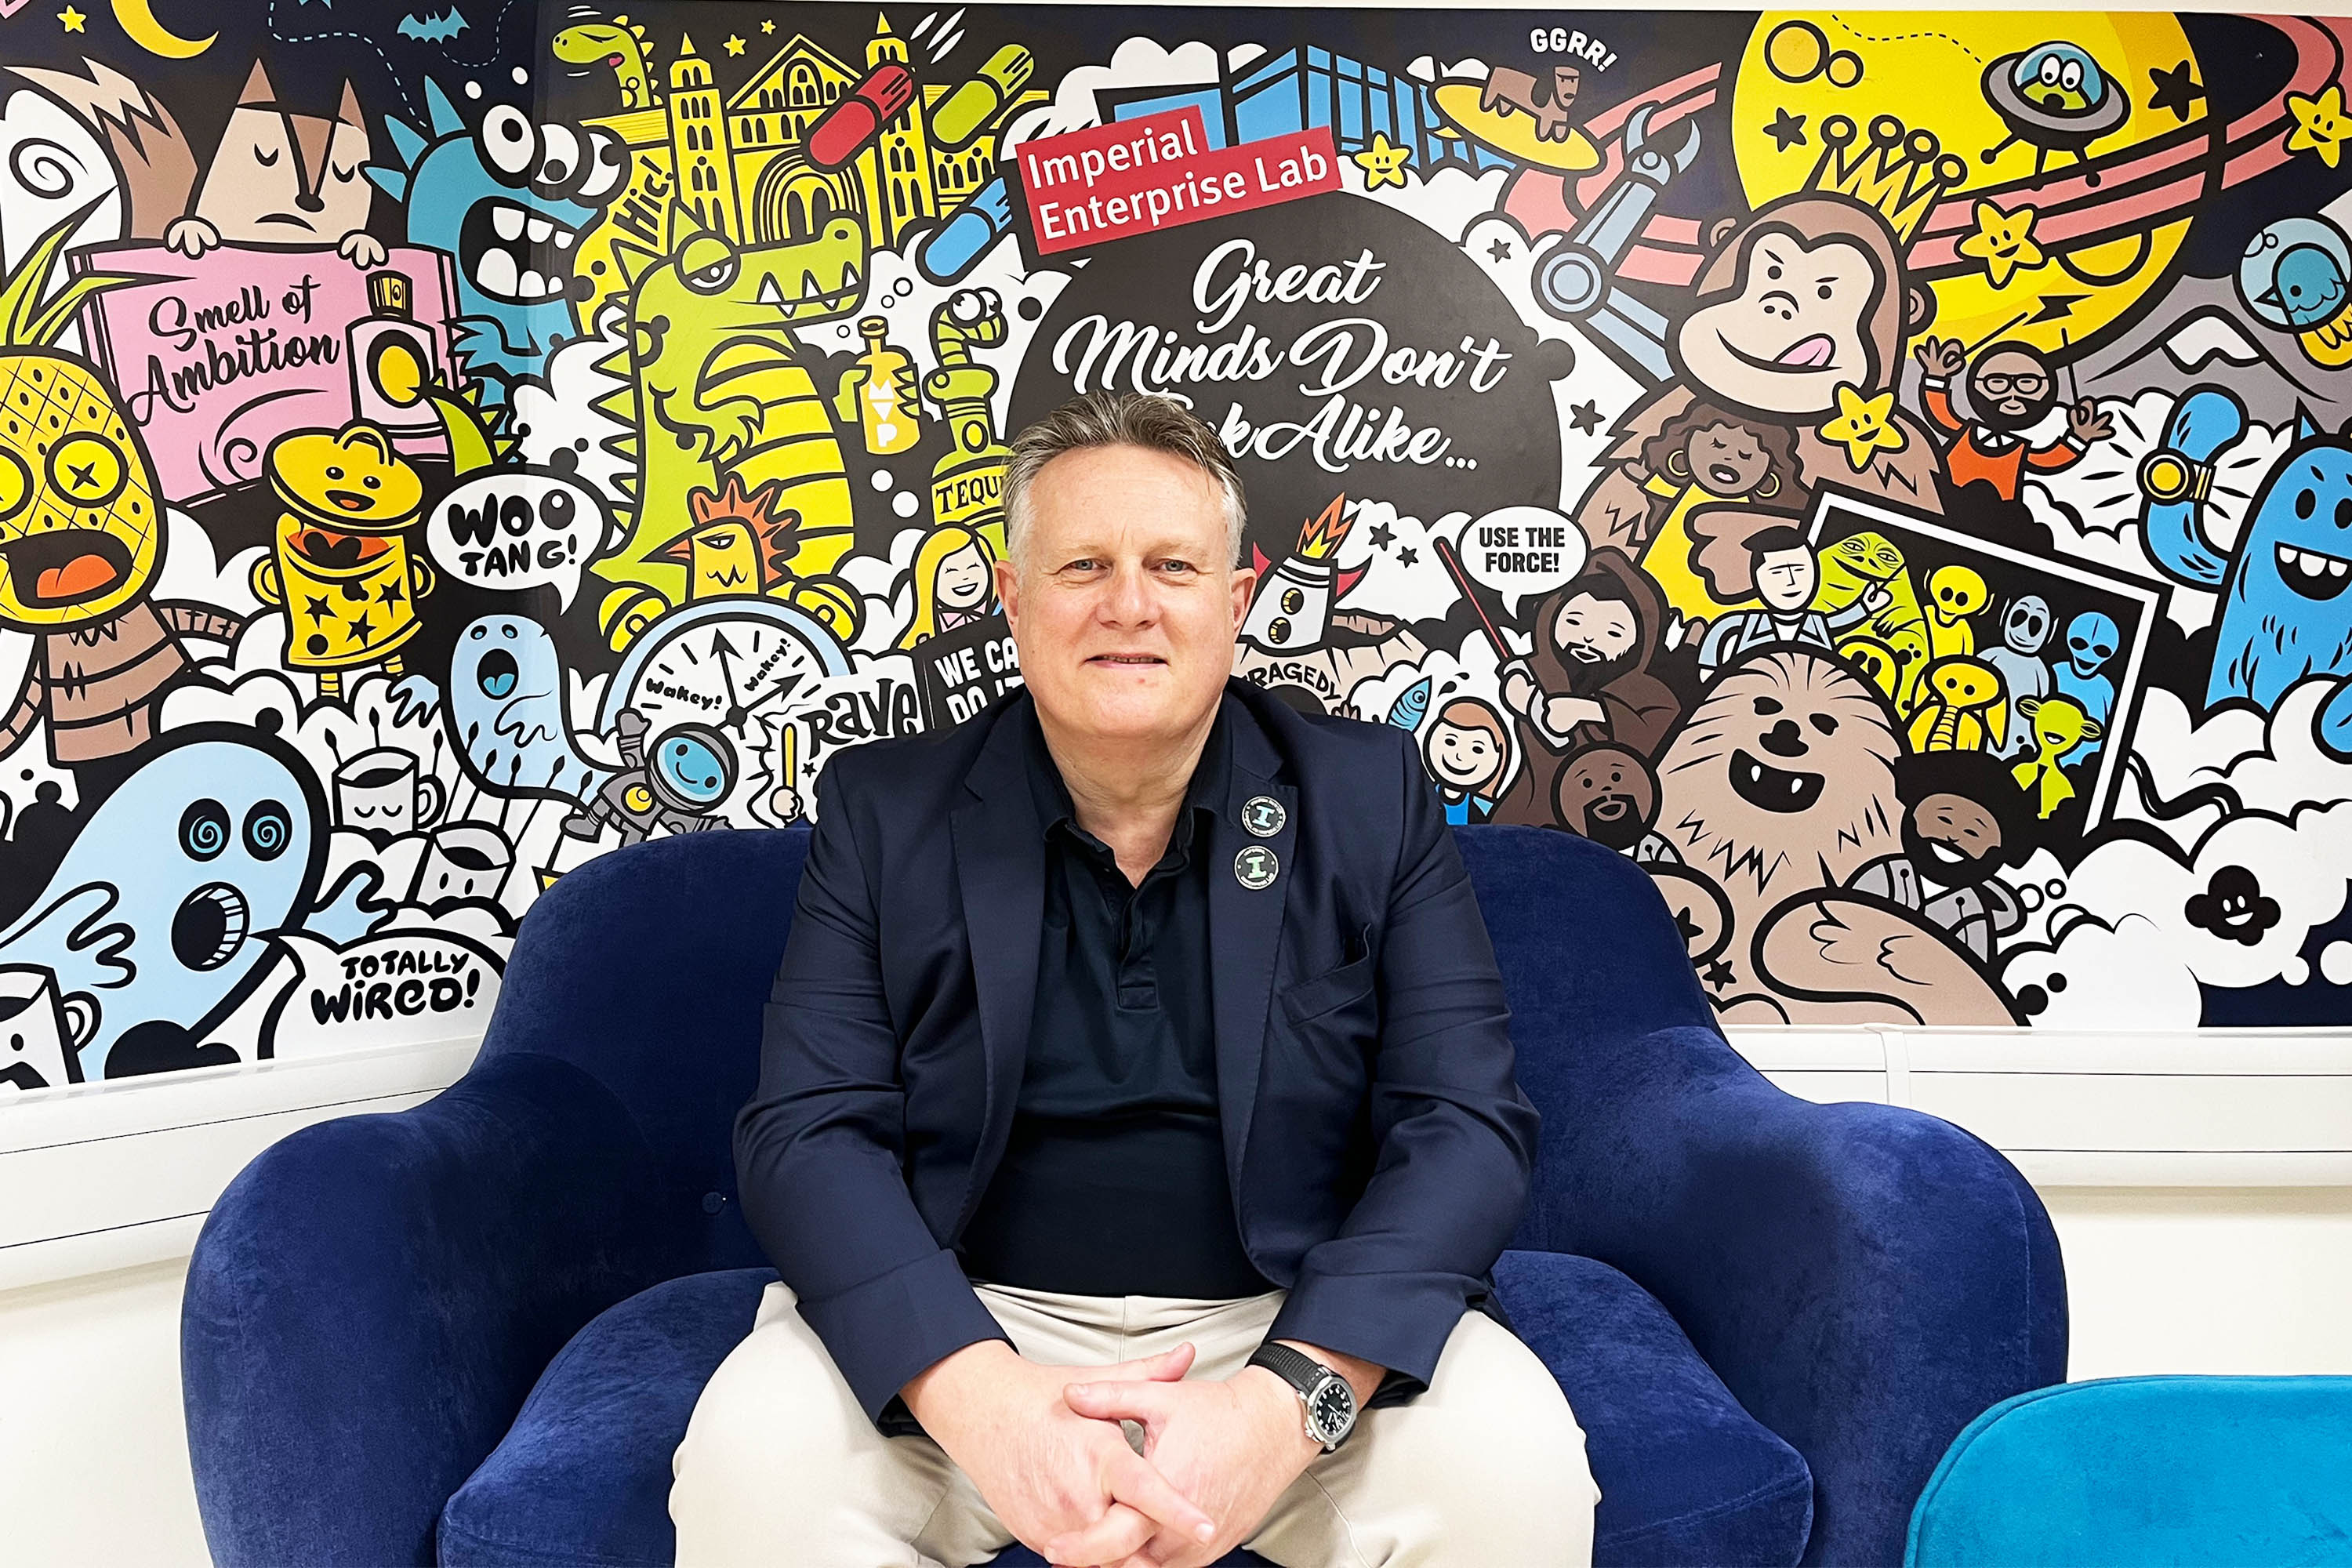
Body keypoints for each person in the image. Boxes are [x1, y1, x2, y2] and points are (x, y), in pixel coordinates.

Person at [674, 391, 1598, 1566]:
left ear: (1237, 601)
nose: (1130, 605)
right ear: (1013, 601)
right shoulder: (882, 810)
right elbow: (805, 1133)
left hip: (1293, 1322)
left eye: (1172, 564)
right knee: (750, 1464)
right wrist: (982, 1401)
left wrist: (1285, 1405)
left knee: (1513, 1467)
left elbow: (1464, 1124)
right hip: (969, 1319)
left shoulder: (1371, 798)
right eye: (1082, 565)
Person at [1697, 526, 1891, 679]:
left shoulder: (1816, 624)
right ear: (1757, 578)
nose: (1791, 581)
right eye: (1778, 572)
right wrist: (1709, 671)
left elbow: (1838, 622)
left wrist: (1865, 607)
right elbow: (1720, 630)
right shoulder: (1749, 624)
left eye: (1799, 570)